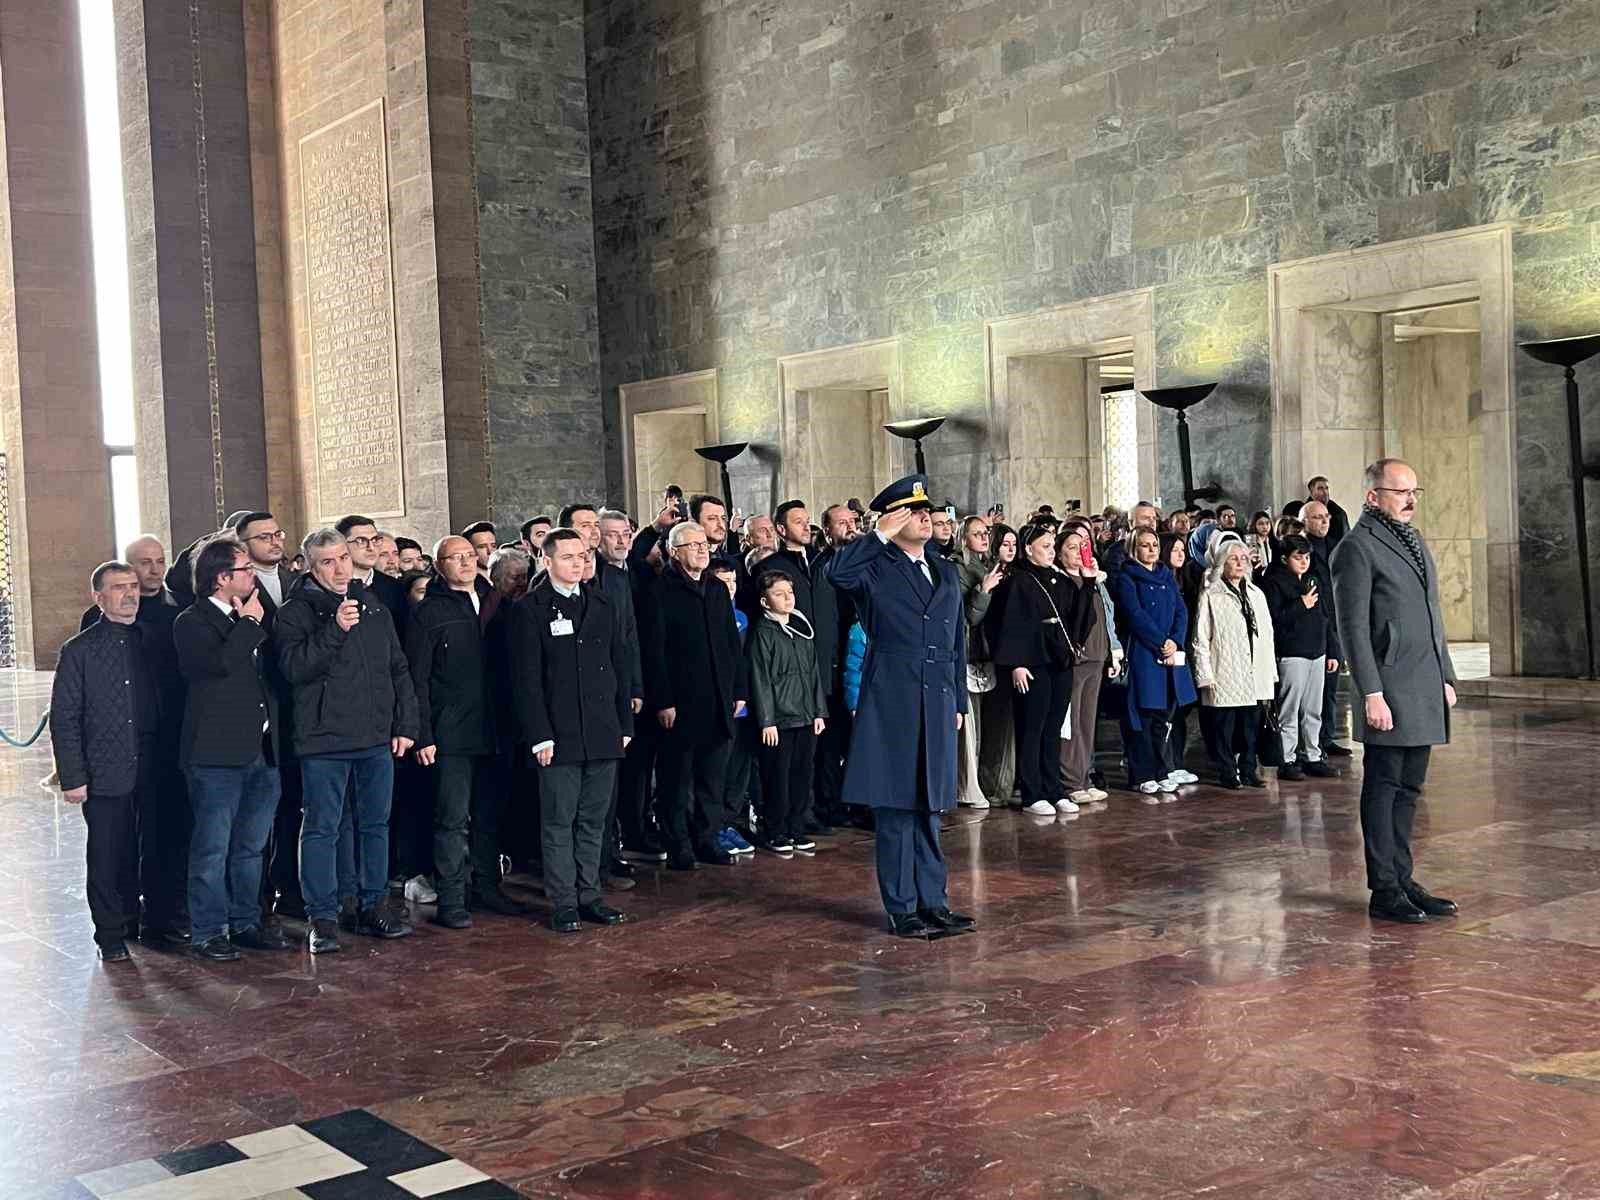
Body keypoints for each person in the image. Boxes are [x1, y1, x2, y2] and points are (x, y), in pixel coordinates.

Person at [827, 473, 973, 938]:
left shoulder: (944, 569)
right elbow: (837, 574)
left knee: (931, 806)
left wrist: (958, 697)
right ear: (893, 518)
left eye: (928, 511)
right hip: (893, 696)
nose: (926, 518)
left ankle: (935, 901)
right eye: (914, 512)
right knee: (895, 808)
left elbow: (956, 639)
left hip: (937, 695)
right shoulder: (874, 566)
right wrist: (877, 535)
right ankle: (901, 905)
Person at [276, 528, 418, 954]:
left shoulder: (372, 605)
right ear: (309, 566)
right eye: (328, 562)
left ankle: (372, 905)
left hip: (375, 737)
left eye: (343, 558)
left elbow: (397, 668)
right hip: (324, 740)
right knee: (322, 829)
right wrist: (335, 629)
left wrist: (406, 724)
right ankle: (323, 917)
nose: (340, 568)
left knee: (375, 825)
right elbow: (294, 669)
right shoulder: (294, 612)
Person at [1333, 458, 1458, 925]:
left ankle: (1403, 878)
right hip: (1388, 686)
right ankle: (1383, 888)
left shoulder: (1413, 539)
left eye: (1414, 492)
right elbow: (1353, 629)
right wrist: (1370, 692)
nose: (1409, 500)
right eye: (1400, 491)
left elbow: (1432, 614)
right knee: (1384, 786)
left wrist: (1445, 675)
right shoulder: (1355, 548)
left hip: (1422, 682)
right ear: (1373, 496)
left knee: (1410, 787)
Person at [52, 562, 185, 962]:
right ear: (98, 597)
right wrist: (73, 777)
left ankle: (155, 922)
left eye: (132, 587)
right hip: (106, 764)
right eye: (117, 588)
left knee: (158, 845)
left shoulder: (155, 640)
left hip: (155, 761)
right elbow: (65, 716)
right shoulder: (80, 650)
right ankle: (111, 933)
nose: (128, 595)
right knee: (110, 852)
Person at [173, 534, 290, 960]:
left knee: (251, 847)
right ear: (222, 578)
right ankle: (208, 931)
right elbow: (218, 666)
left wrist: (255, 623)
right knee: (212, 849)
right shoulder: (191, 621)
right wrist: (249, 626)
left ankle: (245, 922)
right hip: (216, 757)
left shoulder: (256, 614)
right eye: (246, 570)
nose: (253, 576)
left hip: (263, 750)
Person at [513, 529, 634, 931]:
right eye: (568, 557)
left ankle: (590, 895)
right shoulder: (530, 609)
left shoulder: (601, 603)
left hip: (602, 730)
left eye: (583, 555)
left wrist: (624, 723)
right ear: (546, 561)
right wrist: (539, 735)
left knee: (593, 820)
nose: (578, 563)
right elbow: (526, 681)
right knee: (559, 820)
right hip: (557, 733)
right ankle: (564, 901)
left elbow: (619, 666)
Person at [407, 536, 521, 928]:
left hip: (495, 728)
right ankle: (453, 898)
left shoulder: (496, 603)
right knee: (451, 819)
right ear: (439, 565)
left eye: (470, 556)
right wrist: (423, 733)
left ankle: (487, 886)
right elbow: (417, 679)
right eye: (455, 558)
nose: (466, 563)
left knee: (490, 815)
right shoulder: (429, 612)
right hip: (450, 731)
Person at [640, 521, 748, 869]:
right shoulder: (659, 591)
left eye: (704, 543)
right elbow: (654, 652)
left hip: (718, 700)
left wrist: (738, 690)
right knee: (676, 780)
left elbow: (732, 645)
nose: (703, 549)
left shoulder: (716, 589)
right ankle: (678, 844)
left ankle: (706, 838)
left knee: (712, 779)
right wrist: (664, 700)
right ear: (674, 551)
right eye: (693, 545)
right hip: (681, 703)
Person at [990, 523, 1093, 818]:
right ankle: (1032, 792)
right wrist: (1017, 663)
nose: (1051, 552)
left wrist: (1087, 585)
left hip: (1059, 661)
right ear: (1028, 549)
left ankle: (1054, 789)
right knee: (1032, 728)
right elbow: (1010, 624)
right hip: (1031, 663)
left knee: (1052, 728)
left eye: (1052, 547)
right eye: (1045, 547)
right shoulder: (1018, 581)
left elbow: (1079, 622)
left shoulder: (1059, 581)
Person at [1112, 527, 1197, 798]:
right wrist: (1160, 641)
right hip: (1145, 653)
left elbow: (1181, 611)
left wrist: (1175, 640)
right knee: (1143, 716)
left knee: (1164, 716)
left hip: (1170, 653)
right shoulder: (1127, 577)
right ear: (1134, 549)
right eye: (1145, 545)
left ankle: (1162, 770)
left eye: (1154, 545)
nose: (1151, 550)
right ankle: (1142, 774)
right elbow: (1135, 614)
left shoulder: (1165, 575)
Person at [747, 572, 827, 854]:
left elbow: (814, 673)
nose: (787, 598)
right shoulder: (762, 633)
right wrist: (767, 720)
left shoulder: (801, 630)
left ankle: (796, 827)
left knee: (801, 776)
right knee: (777, 778)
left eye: (789, 592)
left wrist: (818, 711)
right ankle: (775, 830)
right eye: (779, 593)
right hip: (780, 720)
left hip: (805, 716)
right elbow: (760, 678)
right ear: (764, 600)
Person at [1191, 539, 1277, 789]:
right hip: (1225, 669)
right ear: (1221, 563)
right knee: (1224, 727)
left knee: (1251, 726)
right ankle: (1227, 771)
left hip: (1253, 670)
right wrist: (1204, 674)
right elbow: (1201, 636)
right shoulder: (1211, 594)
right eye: (1233, 559)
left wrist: (1269, 671)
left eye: (1243, 558)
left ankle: (1249, 769)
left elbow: (1267, 635)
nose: (1240, 563)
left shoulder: (1256, 594)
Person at [1260, 534, 1340, 781]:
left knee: (1313, 709)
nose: (1304, 561)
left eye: (1306, 557)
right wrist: (1300, 605)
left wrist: (1332, 650)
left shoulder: (1312, 579)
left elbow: (1325, 618)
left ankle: (1313, 756)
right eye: (1298, 557)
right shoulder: (1273, 583)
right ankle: (1288, 758)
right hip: (1292, 653)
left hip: (1317, 651)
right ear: (1285, 558)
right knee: (1289, 709)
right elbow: (1272, 620)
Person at [1056, 523, 1118, 807]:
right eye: (1071, 547)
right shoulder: (1063, 583)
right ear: (1059, 554)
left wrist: (1111, 652)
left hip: (1096, 657)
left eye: (1083, 546)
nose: (1079, 552)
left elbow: (1105, 616)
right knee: (1070, 725)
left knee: (1086, 722)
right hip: (1075, 660)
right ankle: (1070, 781)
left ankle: (1083, 777)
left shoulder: (1093, 579)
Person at [1299, 500, 1351, 758]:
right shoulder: (1299, 550)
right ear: (1304, 521)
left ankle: (1326, 737)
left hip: (1335, 623)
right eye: (1317, 517)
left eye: (1326, 516)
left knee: (1330, 688)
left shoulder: (1335, 546)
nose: (1324, 521)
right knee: (1310, 694)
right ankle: (1307, 744)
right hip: (1312, 628)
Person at [955, 516, 1001, 809]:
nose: (983, 537)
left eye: (986, 533)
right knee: (968, 726)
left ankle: (980, 782)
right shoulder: (959, 569)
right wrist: (983, 590)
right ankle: (967, 786)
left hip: (987, 653)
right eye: (976, 533)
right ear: (964, 538)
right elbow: (968, 617)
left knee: (983, 724)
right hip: (968, 651)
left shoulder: (987, 566)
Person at [977, 523, 1019, 807]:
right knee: (993, 728)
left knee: (1008, 728)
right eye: (1005, 543)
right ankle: (991, 786)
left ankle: (1005, 785)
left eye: (1014, 544)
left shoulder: (1018, 576)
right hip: (990, 658)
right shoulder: (987, 575)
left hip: (1010, 657)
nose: (1011, 549)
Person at [1161, 532, 1201, 786]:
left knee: (1179, 710)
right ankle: (1165, 765)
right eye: (1174, 550)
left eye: (1182, 550)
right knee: (1165, 712)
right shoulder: (1163, 581)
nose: (1180, 554)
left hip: (1183, 650)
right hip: (1166, 650)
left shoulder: (1185, 580)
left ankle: (1177, 762)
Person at [336, 514, 409, 632]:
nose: (371, 547)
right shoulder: (329, 585)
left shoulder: (394, 586)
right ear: (341, 545)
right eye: (361, 541)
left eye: (375, 540)